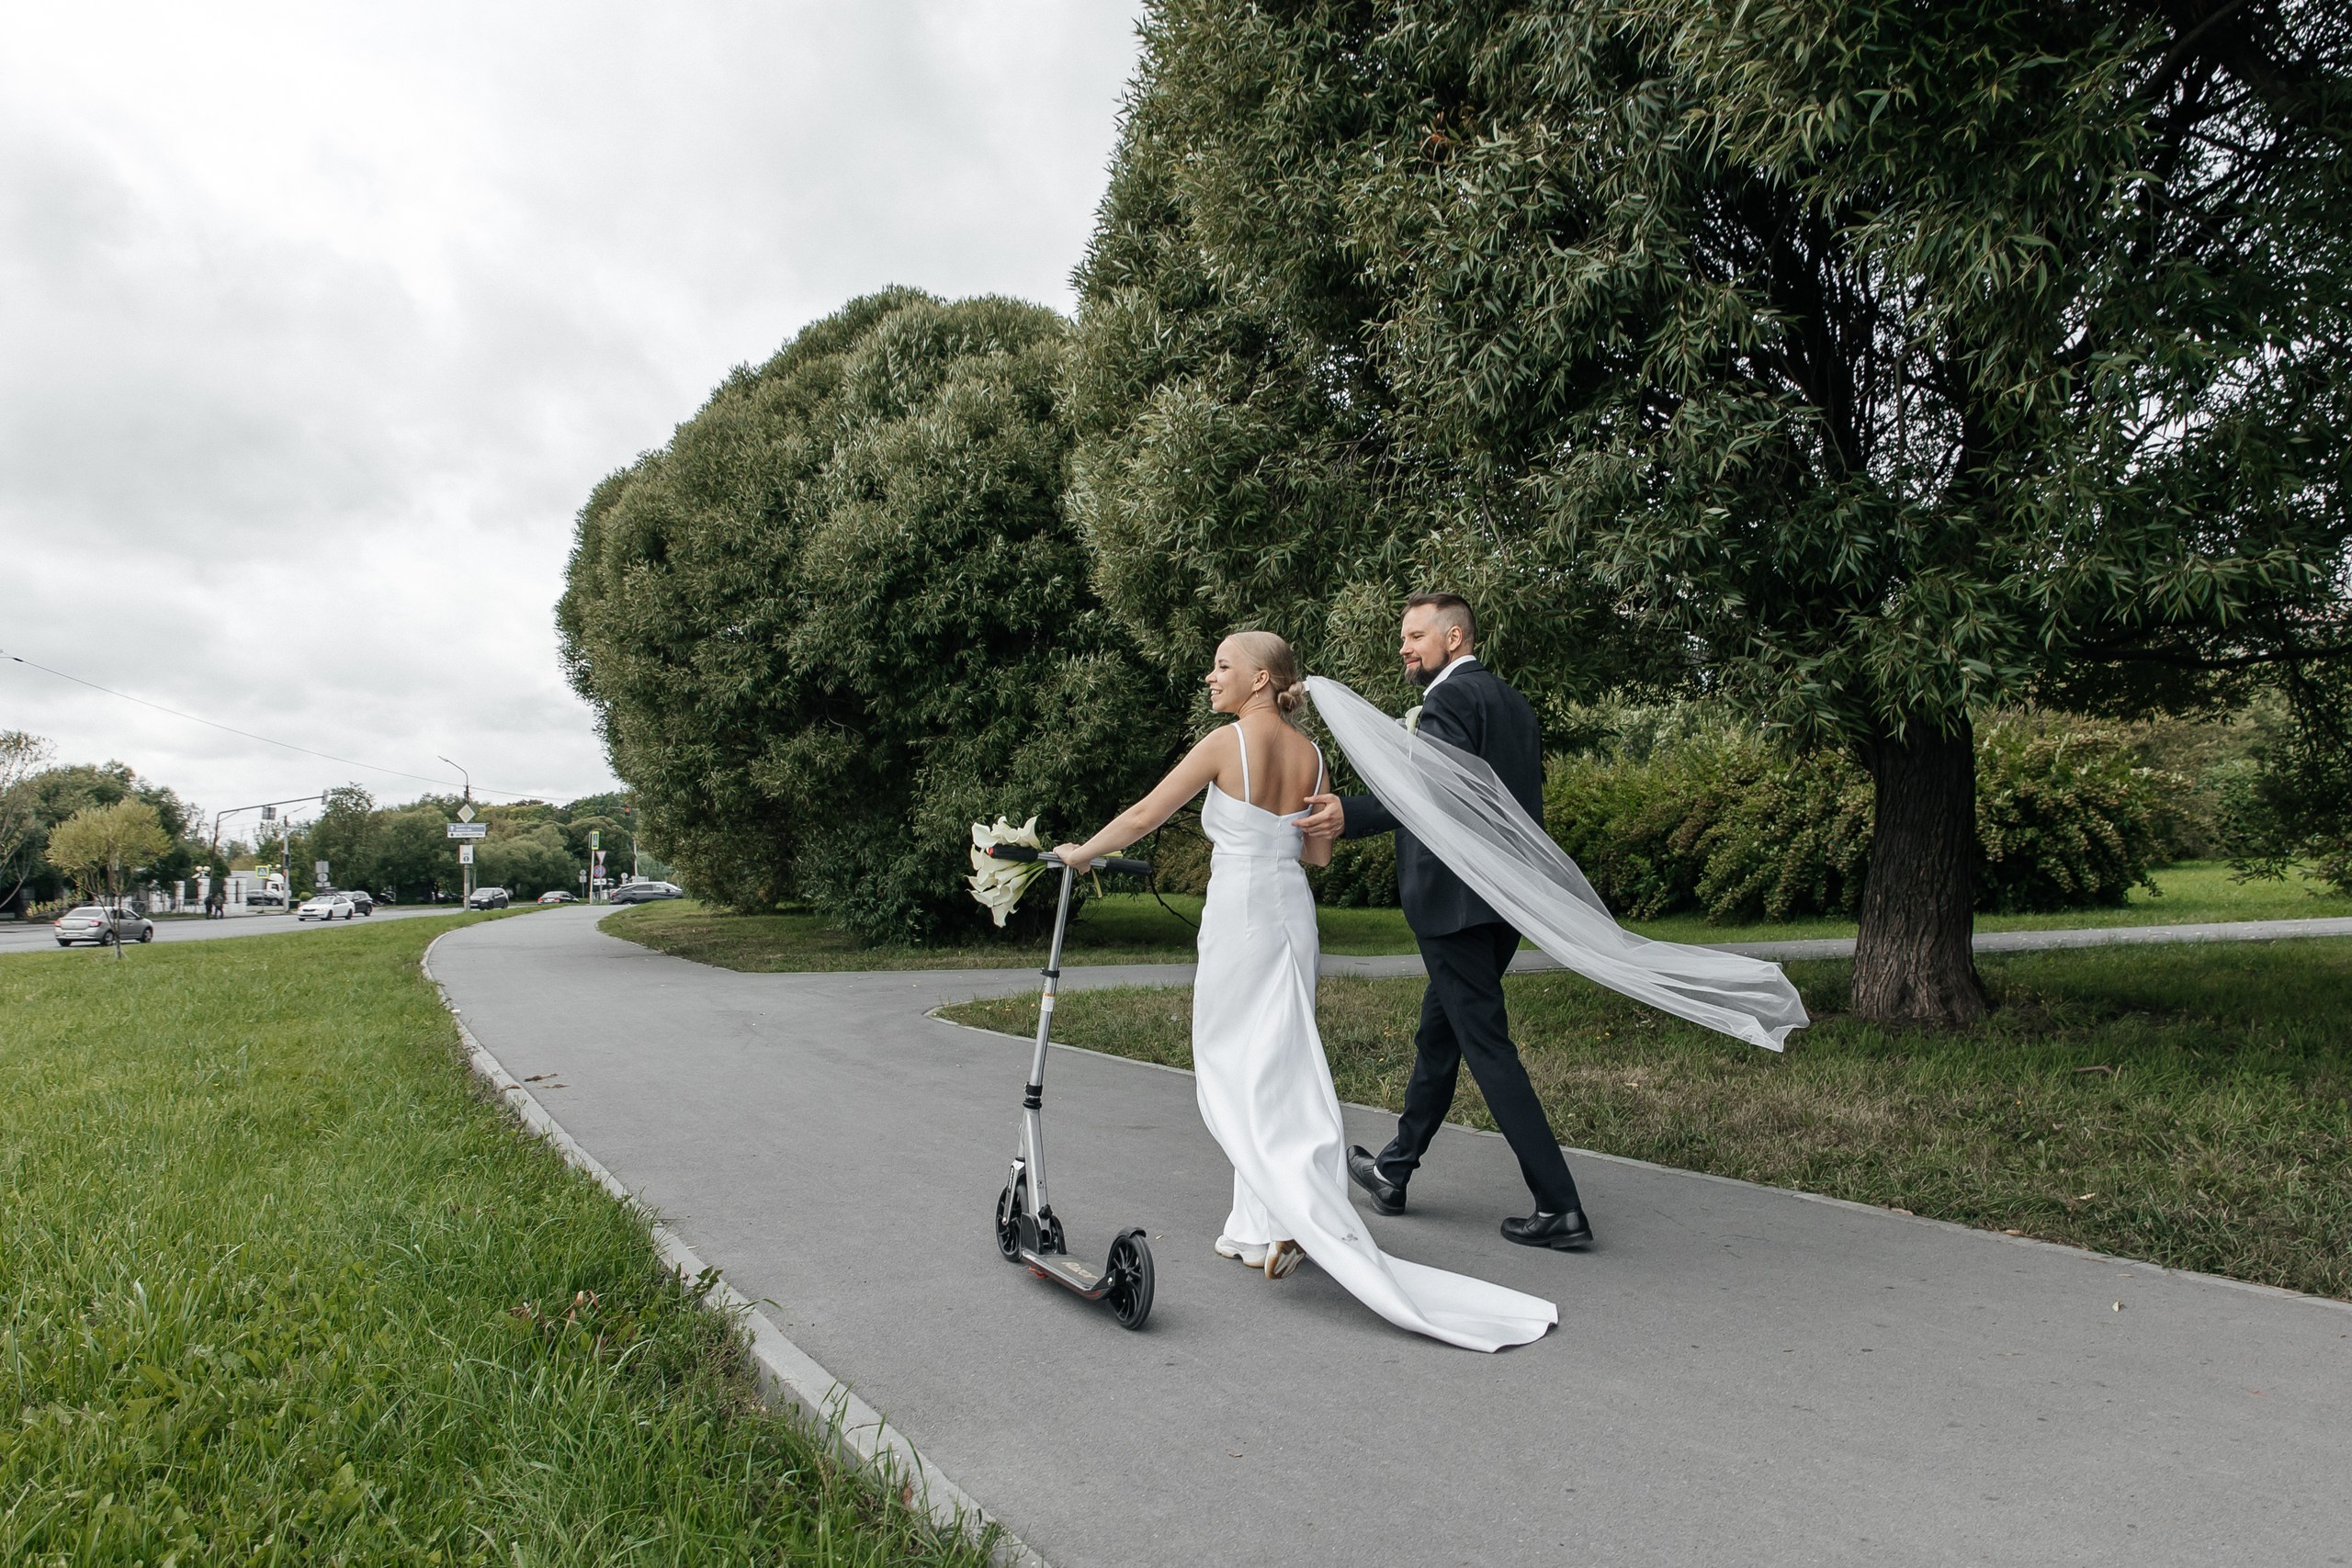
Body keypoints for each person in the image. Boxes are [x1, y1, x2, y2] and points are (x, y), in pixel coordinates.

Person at [1054, 630, 1555, 1351]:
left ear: (1261, 678)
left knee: (1232, 1064)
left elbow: (1143, 816)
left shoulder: (1226, 743)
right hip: (1292, 911)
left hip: (1241, 911)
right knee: (1281, 1058)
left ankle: (1292, 1212)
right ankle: (1256, 1227)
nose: (1211, 676)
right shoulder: (1313, 755)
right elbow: (1318, 853)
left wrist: (1081, 853)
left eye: (1223, 666)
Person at [1299, 593, 1594, 1251]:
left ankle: (1560, 1205)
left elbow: (1433, 790)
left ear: (1454, 637)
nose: (1404, 648)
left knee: (1486, 1044)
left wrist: (1353, 813)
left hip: (1454, 903)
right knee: (1441, 1036)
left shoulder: (1449, 700)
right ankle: (1394, 1170)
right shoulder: (1513, 704)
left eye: (1414, 636)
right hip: (1501, 900)